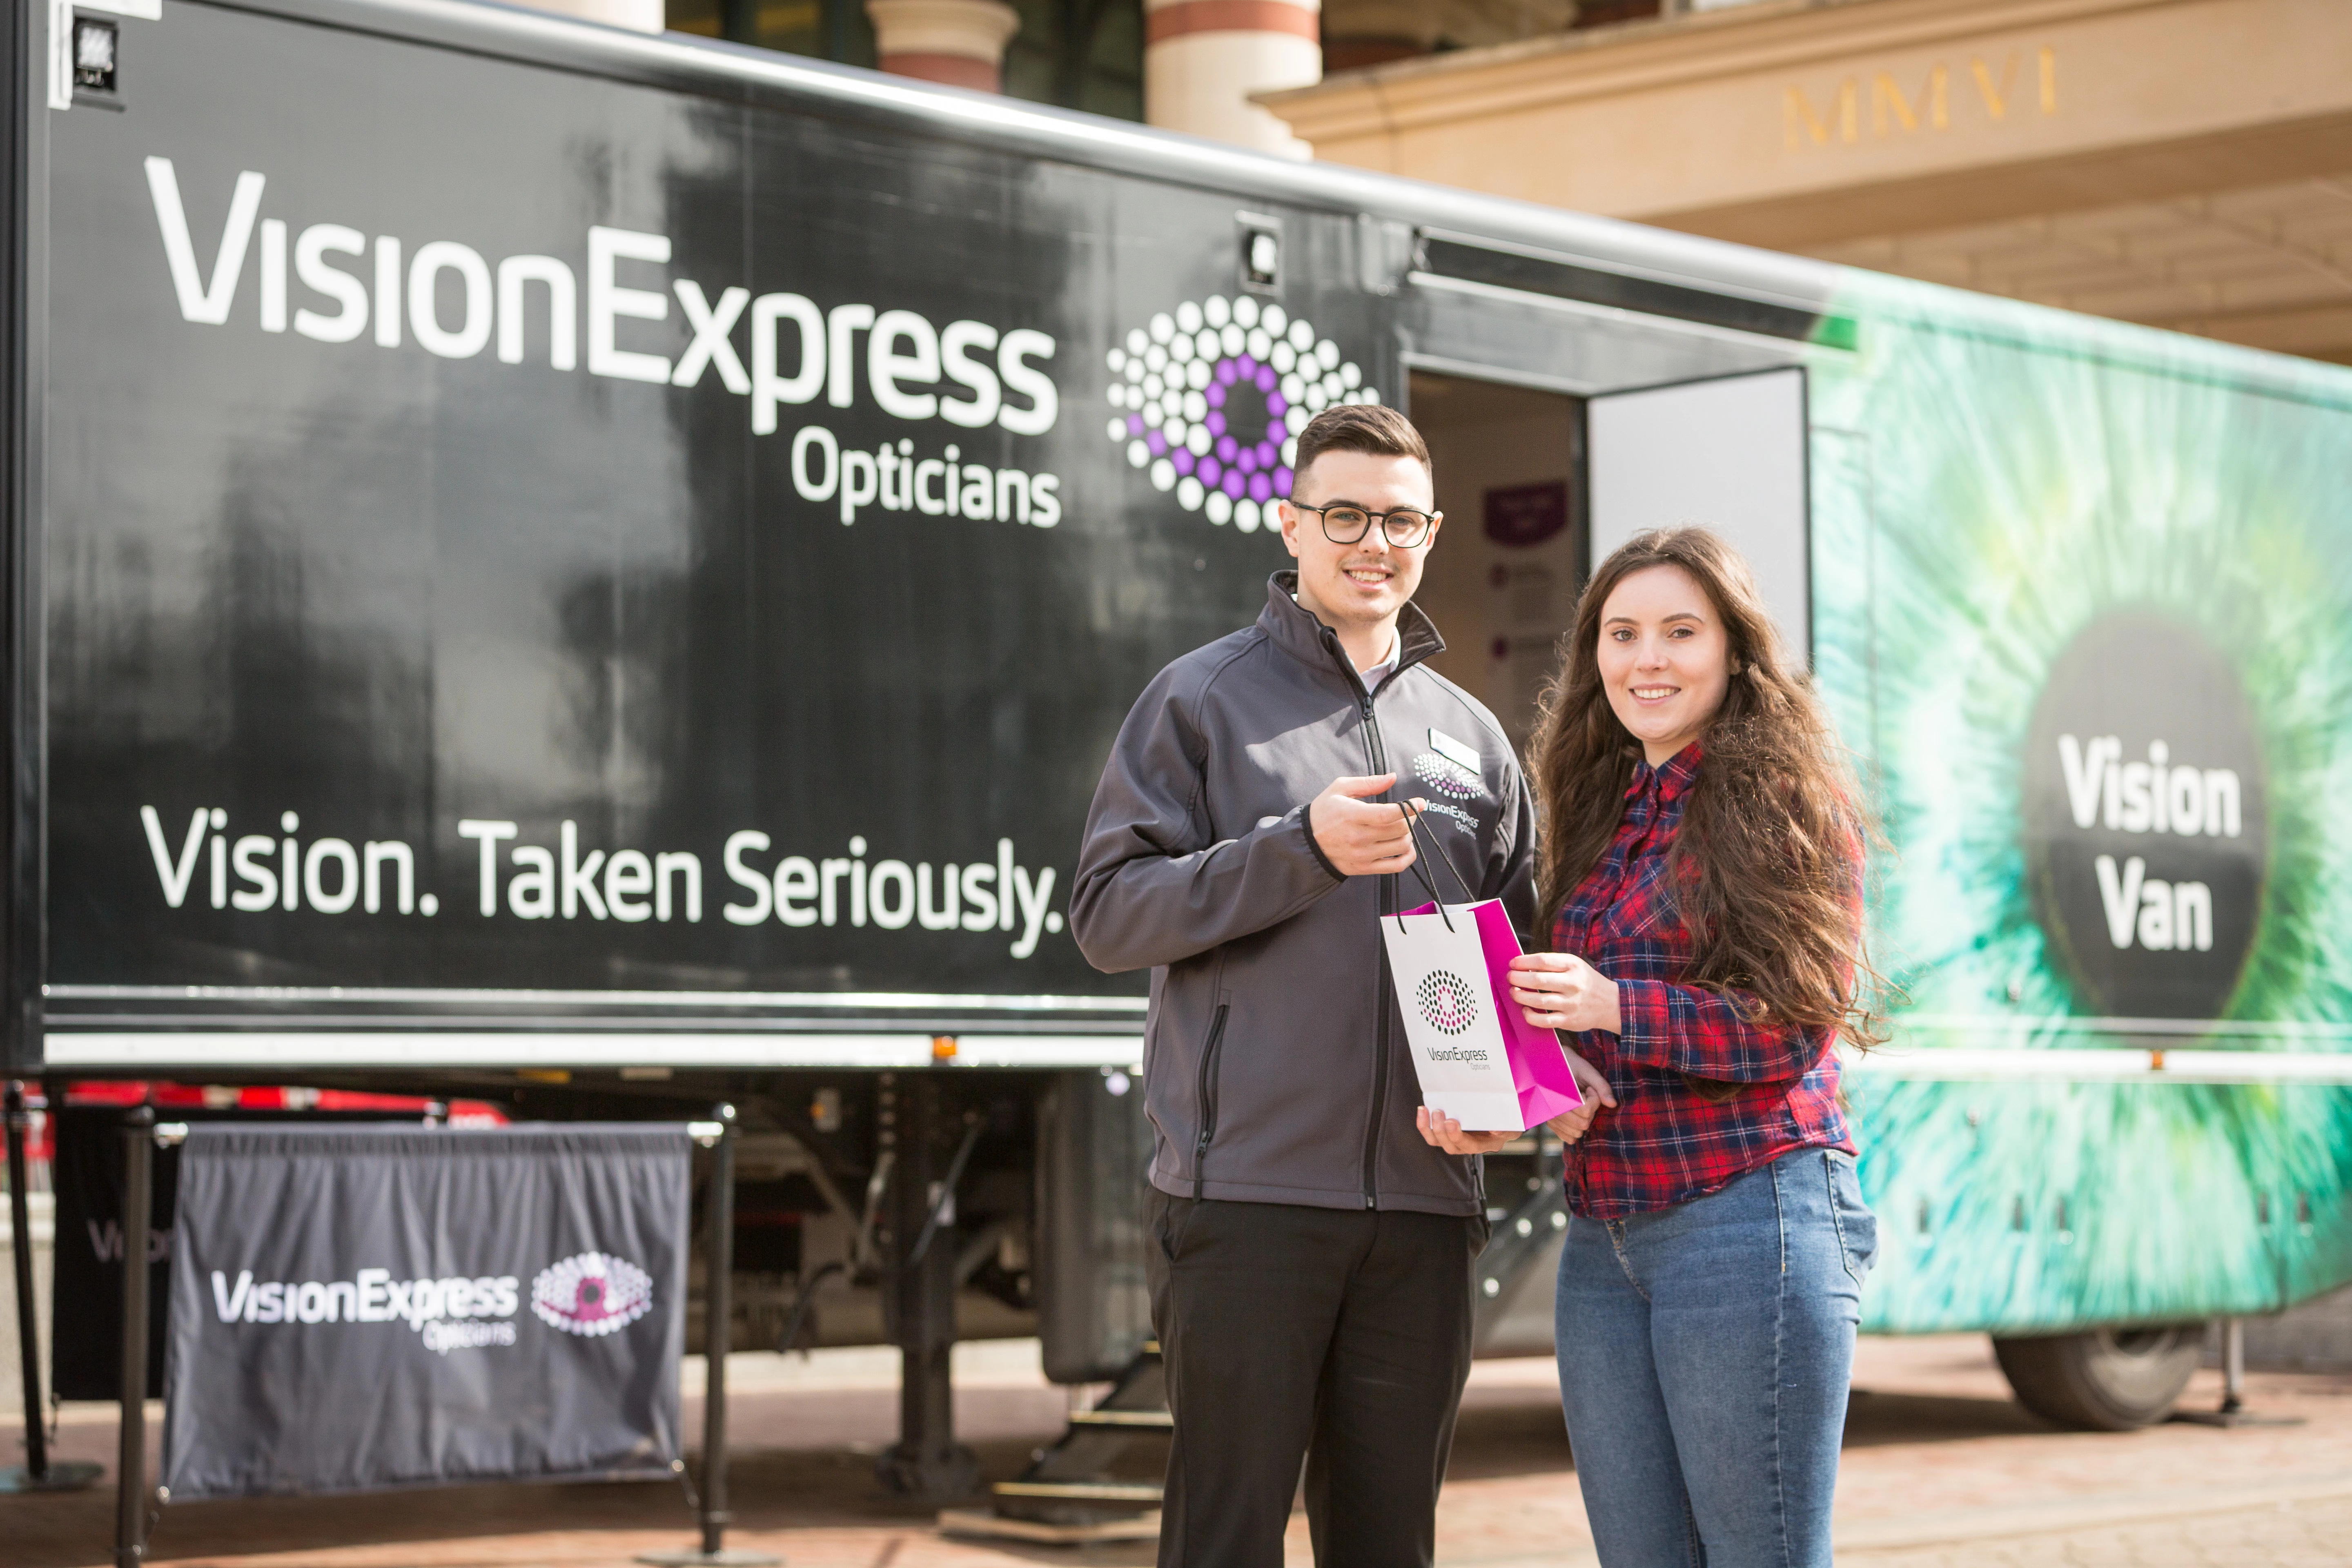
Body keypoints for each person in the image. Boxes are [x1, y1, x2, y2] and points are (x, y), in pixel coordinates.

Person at [1070, 403, 1609, 1568]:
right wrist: (1297, 851)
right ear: (1292, 523)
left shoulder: (1475, 740)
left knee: (1388, 1546)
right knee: (1224, 1542)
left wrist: (1531, 1087)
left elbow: (1516, 963)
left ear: (1434, 532)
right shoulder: (1200, 700)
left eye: (1401, 519)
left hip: (1423, 1215)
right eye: (1346, 514)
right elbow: (1109, 917)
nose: (1376, 542)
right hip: (1247, 1203)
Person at [1421, 526, 1880, 1568]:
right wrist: (1550, 1080)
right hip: (1606, 1237)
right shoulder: (1600, 808)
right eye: (1622, 634)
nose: (1648, 659)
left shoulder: (1784, 802)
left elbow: (1797, 1021)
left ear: (1733, 650)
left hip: (1748, 1215)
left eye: (1681, 631)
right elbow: (1573, 1011)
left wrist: (1613, 1008)